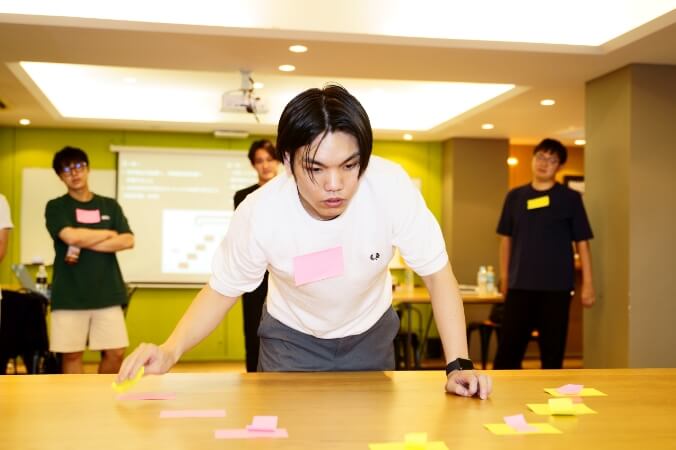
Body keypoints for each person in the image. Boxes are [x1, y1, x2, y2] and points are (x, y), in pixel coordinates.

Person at [118, 85, 492, 399]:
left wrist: (458, 365)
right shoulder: (261, 212)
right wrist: (170, 350)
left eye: (349, 165)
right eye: (315, 168)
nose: (335, 184)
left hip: (370, 336)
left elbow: (437, 274)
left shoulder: (391, 187)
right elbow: (221, 290)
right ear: (287, 161)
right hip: (290, 341)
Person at [493, 138, 595, 370]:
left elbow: (582, 243)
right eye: (540, 157)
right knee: (507, 356)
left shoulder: (570, 199)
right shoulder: (515, 197)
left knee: (552, 356)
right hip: (519, 287)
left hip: (556, 290)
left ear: (559, 166)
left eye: (552, 160)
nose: (544, 163)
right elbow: (506, 240)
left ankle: (550, 395)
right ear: (533, 159)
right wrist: (505, 278)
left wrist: (588, 284)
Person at [45, 147, 134, 374]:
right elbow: (70, 237)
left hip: (108, 292)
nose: (74, 173)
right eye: (66, 170)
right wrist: (108, 233)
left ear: (88, 169)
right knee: (72, 354)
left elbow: (127, 240)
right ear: (60, 176)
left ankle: (102, 393)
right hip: (69, 294)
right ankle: (76, 397)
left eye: (78, 166)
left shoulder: (109, 205)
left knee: (116, 352)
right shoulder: (56, 206)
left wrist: (85, 239)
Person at [233, 139, 281, 372]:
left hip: (284, 273)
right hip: (255, 275)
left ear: (278, 161)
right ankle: (253, 378)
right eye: (260, 161)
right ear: (253, 165)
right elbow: (244, 235)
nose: (265, 165)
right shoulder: (243, 196)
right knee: (253, 329)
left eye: (269, 159)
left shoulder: (291, 193)